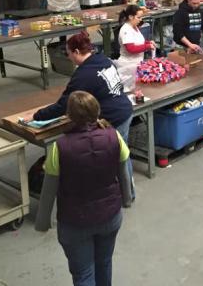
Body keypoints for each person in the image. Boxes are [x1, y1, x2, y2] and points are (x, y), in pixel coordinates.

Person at [36, 91, 132, 286]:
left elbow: (48, 192)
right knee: (104, 263)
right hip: (110, 217)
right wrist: (127, 200)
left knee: (83, 273)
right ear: (97, 111)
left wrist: (43, 222)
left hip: (74, 223)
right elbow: (124, 174)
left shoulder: (59, 148)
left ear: (69, 116)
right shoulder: (114, 137)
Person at [32, 31, 136, 197]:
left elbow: (64, 104)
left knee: (117, 157)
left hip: (113, 118)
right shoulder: (102, 59)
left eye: (69, 54)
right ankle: (126, 192)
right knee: (122, 154)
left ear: (77, 52)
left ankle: (124, 194)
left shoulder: (82, 75)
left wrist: (38, 116)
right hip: (124, 108)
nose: (69, 58)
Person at [115, 4, 156, 92]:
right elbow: (131, 48)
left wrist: (148, 42)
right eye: (138, 17)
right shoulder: (126, 30)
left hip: (136, 64)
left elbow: (138, 42)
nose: (141, 20)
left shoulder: (134, 27)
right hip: (127, 67)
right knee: (130, 92)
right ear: (130, 17)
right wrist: (147, 46)